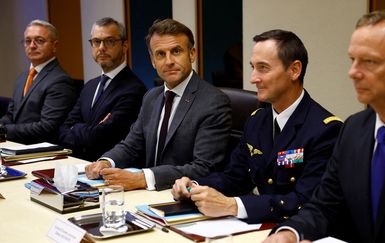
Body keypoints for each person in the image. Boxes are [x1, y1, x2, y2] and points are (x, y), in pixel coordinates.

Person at [264, 9, 385, 243]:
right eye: (353, 60)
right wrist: (290, 233)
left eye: (369, 61)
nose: (353, 73)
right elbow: (324, 204)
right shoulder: (353, 129)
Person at [171, 29, 343, 223]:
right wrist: (193, 186)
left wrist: (232, 206)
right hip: (258, 224)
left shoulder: (326, 130)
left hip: (297, 229)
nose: (253, 78)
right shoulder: (257, 120)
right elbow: (234, 177)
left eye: (263, 68)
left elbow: (305, 201)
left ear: (294, 70)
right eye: (253, 67)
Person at [85, 19, 231, 191]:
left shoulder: (213, 102)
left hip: (185, 198)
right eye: (160, 54)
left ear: (192, 54)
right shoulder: (151, 97)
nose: (168, 61)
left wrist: (142, 178)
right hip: (147, 197)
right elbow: (131, 145)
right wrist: (106, 161)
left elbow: (204, 167)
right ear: (153, 61)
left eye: (176, 51)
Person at [58, 17, 147, 161]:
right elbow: (63, 130)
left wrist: (77, 128)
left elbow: (102, 137)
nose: (101, 48)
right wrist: (87, 130)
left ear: (125, 45)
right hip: (80, 166)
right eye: (96, 42)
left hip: (111, 171)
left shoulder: (134, 89)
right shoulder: (89, 87)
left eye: (109, 41)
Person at [0, 19, 78, 144]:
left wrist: (4, 130)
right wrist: (2, 125)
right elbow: (11, 115)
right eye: (28, 41)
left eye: (39, 40)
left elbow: (47, 127)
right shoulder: (22, 77)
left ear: (55, 46)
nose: (32, 45)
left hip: (41, 152)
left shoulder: (60, 81)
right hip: (16, 146)